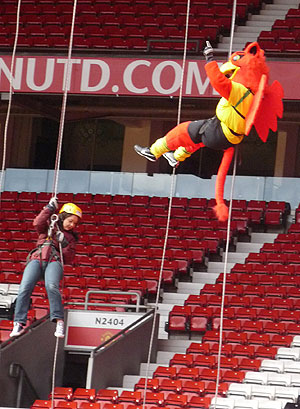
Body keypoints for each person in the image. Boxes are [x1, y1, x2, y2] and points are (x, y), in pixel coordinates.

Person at [134, 41, 283, 222]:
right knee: (198, 138)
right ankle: (176, 157)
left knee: (185, 130)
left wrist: (209, 59)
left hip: (221, 131)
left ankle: (154, 151)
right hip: (228, 136)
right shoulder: (252, 95)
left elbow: (218, 82)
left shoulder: (240, 90)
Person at [10, 199, 82, 339]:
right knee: (25, 287)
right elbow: (37, 223)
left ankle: (59, 320)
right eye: (70, 221)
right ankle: (18, 322)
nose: (72, 225)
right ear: (63, 216)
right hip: (38, 257)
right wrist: (49, 208)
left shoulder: (71, 238)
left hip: (54, 260)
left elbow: (68, 258)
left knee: (52, 286)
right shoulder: (50, 224)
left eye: (75, 223)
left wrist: (64, 243)